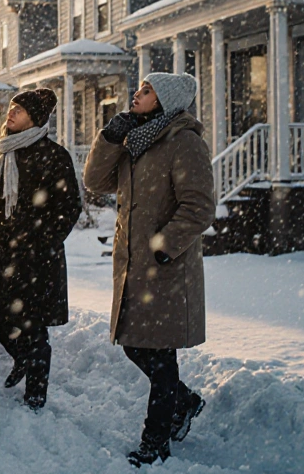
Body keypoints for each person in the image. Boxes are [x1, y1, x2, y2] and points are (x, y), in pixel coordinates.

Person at [83, 72, 215, 467]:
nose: (136, 95)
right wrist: (109, 138)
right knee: (134, 345)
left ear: (166, 99)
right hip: (133, 267)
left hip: (166, 269)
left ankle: (155, 441)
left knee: (160, 357)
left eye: (146, 90)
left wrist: (163, 249)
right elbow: (95, 181)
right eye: (138, 89)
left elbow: (199, 207)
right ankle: (186, 401)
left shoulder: (184, 142)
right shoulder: (135, 141)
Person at [0, 88, 82, 410]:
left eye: (18, 109)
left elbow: (69, 206)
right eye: (11, 107)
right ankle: (22, 359)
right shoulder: (2, 153)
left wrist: (42, 239)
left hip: (35, 257)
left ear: (35, 118)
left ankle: (36, 392)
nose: (11, 112)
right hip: (2, 252)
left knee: (32, 324)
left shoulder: (53, 154)